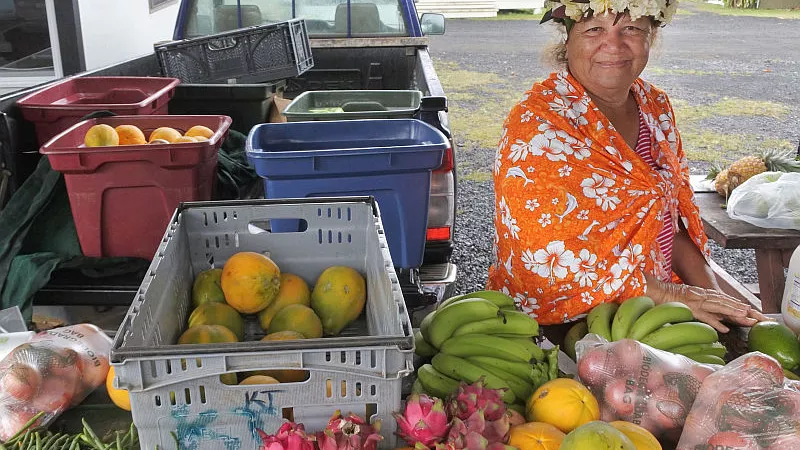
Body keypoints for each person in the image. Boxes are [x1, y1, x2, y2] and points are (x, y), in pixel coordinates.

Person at [487, 0, 768, 332]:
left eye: (631, 29)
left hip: (652, 313)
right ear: (568, 39)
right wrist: (671, 293)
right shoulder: (538, 125)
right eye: (594, 30)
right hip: (561, 325)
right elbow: (544, 259)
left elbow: (666, 219)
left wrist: (712, 295)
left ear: (651, 36)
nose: (614, 45)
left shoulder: (654, 106)